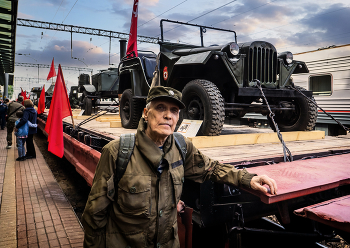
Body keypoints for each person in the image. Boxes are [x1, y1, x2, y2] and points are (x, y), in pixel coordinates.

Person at [81, 86, 277, 248]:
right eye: (160, 108)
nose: (168, 116)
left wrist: (247, 178)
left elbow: (212, 168)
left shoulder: (181, 147)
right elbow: (94, 214)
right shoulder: (117, 152)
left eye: (174, 111)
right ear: (146, 113)